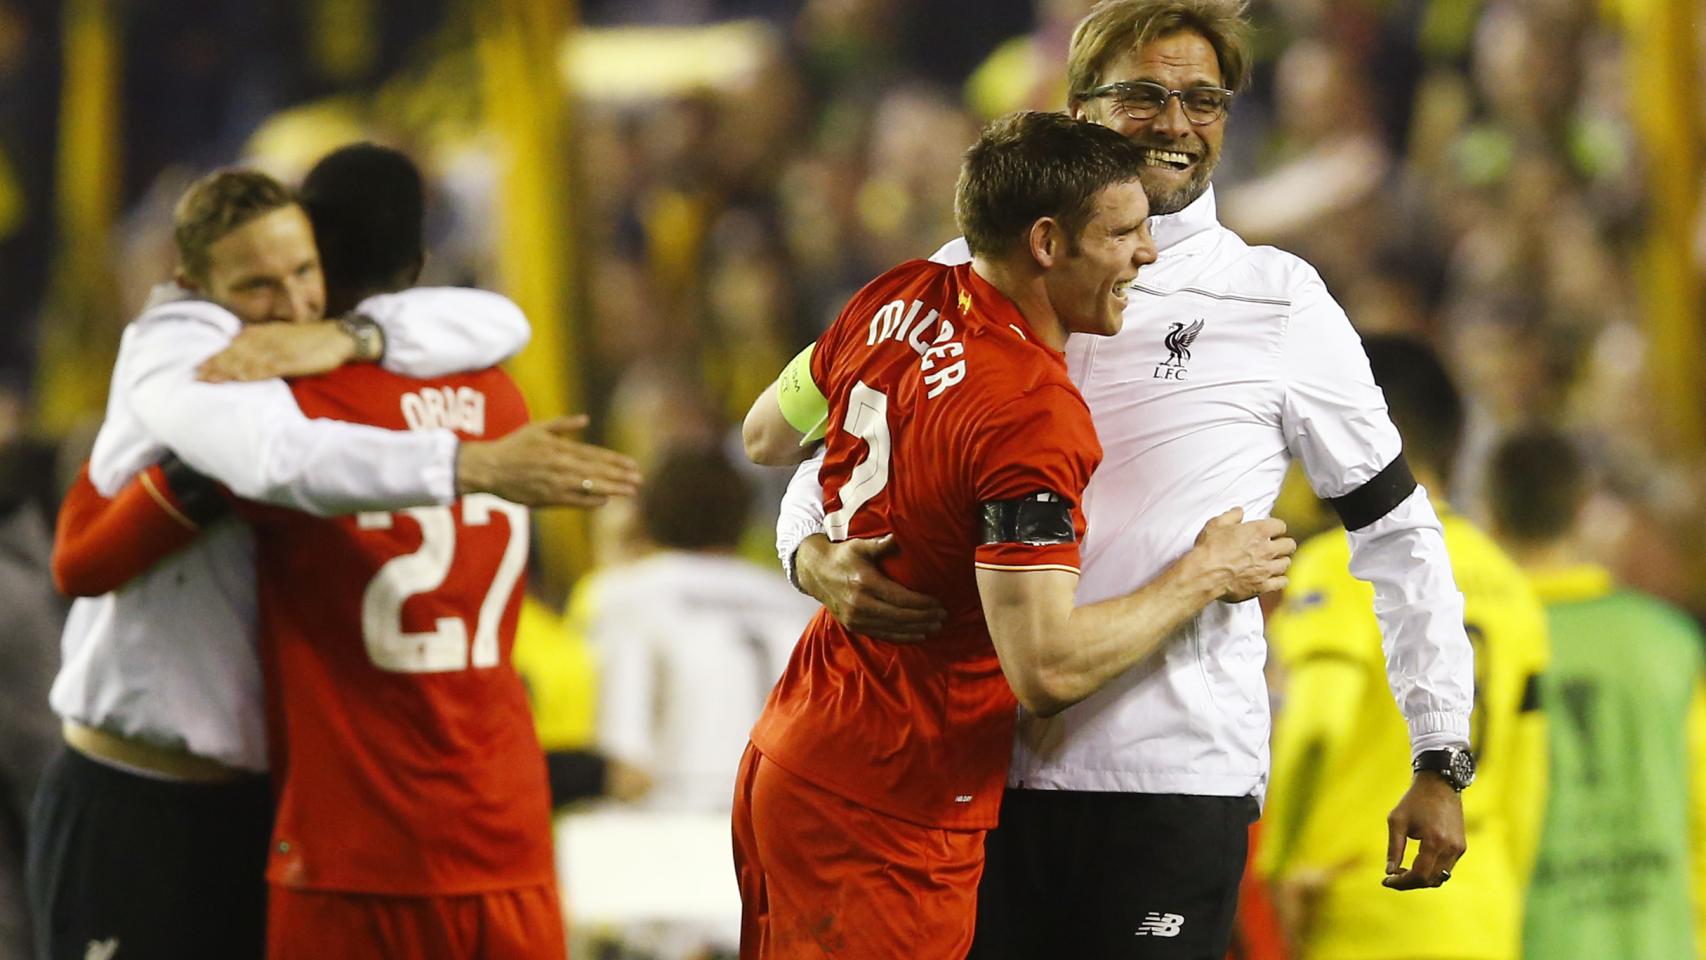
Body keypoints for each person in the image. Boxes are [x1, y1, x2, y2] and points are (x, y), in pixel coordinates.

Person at [774, 2, 1476, 956]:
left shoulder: (1276, 300)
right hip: (969, 780)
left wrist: (1440, 750)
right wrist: (809, 554)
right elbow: (829, 448)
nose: (1177, 123)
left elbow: (1396, 531)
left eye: (1204, 100)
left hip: (1170, 784)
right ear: (1080, 109)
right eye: (1144, 95)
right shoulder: (965, 273)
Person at [31, 157, 637, 960]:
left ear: (326, 262)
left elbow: (82, 556)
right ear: (192, 286)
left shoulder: (310, 391)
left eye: (302, 273)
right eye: (257, 285)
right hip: (166, 799)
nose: (289, 305)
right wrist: (468, 458)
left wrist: (349, 339)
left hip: (318, 829)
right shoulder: (495, 400)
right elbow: (273, 457)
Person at [738, 110, 1293, 958]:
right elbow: (1046, 667)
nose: (1147, 254)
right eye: (1123, 233)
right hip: (889, 808)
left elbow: (766, 436)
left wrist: (812, 547)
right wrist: (1206, 574)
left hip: (794, 758)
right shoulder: (1031, 414)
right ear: (1046, 242)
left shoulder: (894, 295)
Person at [1256, 336, 1549, 960]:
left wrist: (1280, 861)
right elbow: (1530, 778)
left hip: (1365, 903)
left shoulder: (1341, 563)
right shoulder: (1511, 582)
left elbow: (1317, 725)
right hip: (1482, 910)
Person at [1487, 427, 1706, 960]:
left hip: (1526, 941)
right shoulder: (1668, 640)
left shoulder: (1474, 651)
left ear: (1489, 517)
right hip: (1661, 942)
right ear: (1585, 512)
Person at [591, 442, 816, 813]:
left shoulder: (623, 595)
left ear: (649, 514)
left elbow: (624, 748)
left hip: (673, 816)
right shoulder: (798, 601)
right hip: (781, 814)